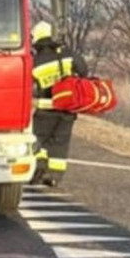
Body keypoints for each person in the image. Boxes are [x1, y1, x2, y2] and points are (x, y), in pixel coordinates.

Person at [30, 20, 88, 187]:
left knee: (37, 138)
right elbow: (83, 70)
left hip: (46, 107)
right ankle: (53, 176)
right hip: (68, 108)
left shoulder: (36, 61)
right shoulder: (68, 54)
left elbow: (28, 83)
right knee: (60, 142)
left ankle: (39, 169)